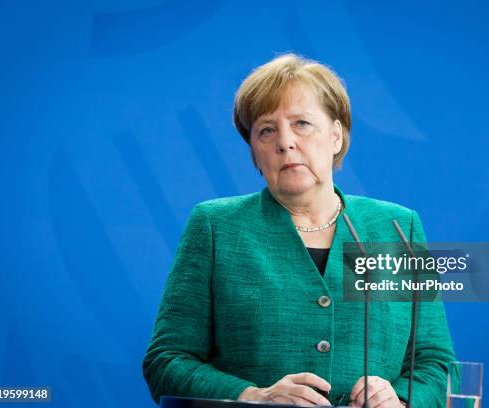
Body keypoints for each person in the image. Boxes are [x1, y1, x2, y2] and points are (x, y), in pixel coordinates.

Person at [143, 53, 455, 408]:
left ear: (336, 136)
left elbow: (436, 364)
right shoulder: (216, 227)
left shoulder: (398, 227)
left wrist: (399, 399)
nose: (285, 142)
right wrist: (253, 397)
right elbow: (167, 361)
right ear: (255, 154)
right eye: (267, 130)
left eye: (302, 123)